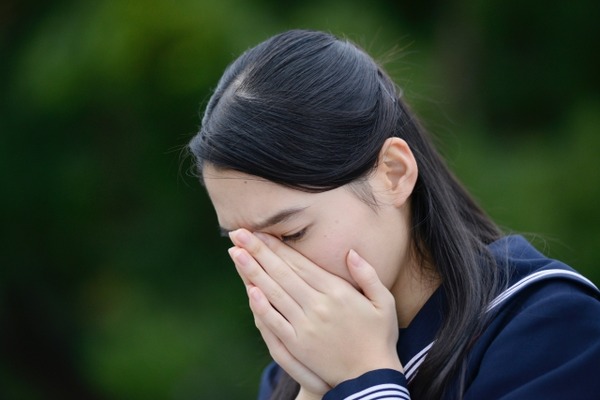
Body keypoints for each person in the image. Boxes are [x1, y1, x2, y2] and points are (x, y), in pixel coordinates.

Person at [187, 29, 600, 400]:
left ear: (394, 173)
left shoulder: (554, 331)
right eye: (245, 247)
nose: (270, 272)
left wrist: (362, 380)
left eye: (292, 233)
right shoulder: (292, 373)